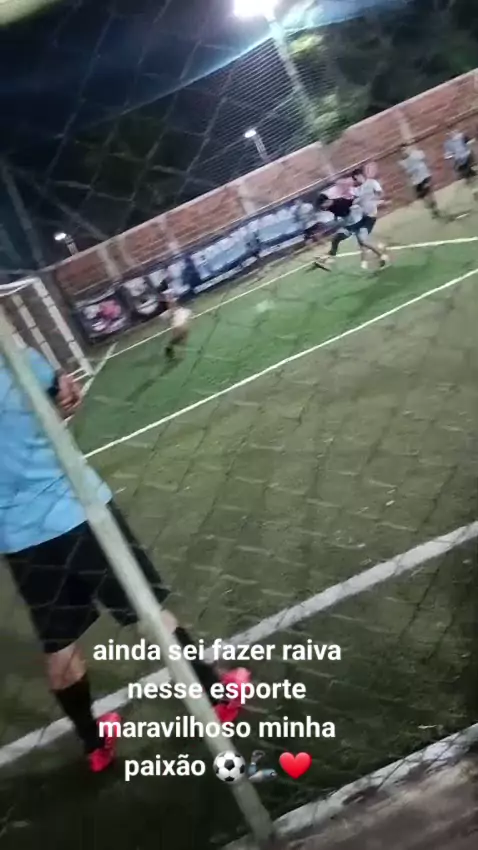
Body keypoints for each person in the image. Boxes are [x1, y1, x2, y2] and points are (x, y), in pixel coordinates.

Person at [0, 348, 249, 773]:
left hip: (19, 537)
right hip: (77, 509)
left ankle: (94, 744)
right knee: (146, 610)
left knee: (59, 643)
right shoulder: (18, 359)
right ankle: (216, 695)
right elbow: (65, 401)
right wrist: (59, 391)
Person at [312, 191, 389, 271]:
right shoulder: (329, 207)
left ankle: (382, 256)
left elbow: (353, 203)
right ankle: (330, 257)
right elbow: (337, 213)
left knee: (363, 242)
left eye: (321, 206)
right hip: (349, 224)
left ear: (326, 201)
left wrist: (376, 203)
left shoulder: (341, 202)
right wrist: (336, 217)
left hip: (357, 223)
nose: (321, 208)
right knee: (336, 239)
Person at [351, 167, 387, 269]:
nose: (355, 181)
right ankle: (377, 250)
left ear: (359, 176)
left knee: (363, 240)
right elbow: (355, 201)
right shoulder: (358, 189)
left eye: (355, 178)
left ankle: (382, 256)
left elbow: (380, 193)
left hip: (371, 215)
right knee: (361, 239)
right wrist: (356, 202)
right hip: (362, 216)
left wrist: (374, 201)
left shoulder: (372, 183)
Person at [399, 145, 441, 219]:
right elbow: (406, 172)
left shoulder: (416, 154)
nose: (404, 152)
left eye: (405, 149)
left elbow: (424, 159)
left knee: (428, 193)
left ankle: (435, 209)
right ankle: (432, 208)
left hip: (424, 177)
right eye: (402, 151)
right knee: (423, 197)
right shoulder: (403, 162)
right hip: (416, 181)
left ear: (408, 149)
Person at [157, 274, 191, 360]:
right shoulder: (167, 293)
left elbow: (172, 303)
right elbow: (170, 304)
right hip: (175, 312)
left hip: (177, 311)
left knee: (184, 331)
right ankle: (171, 347)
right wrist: (173, 313)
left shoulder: (168, 292)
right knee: (182, 330)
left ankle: (171, 346)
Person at [444, 129, 478, 197]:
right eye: (450, 132)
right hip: (461, 161)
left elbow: (471, 143)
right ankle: (474, 190)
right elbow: (448, 155)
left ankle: (475, 189)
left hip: (467, 158)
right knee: (468, 175)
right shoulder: (448, 143)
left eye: (453, 131)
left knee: (471, 174)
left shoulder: (462, 136)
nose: (452, 133)